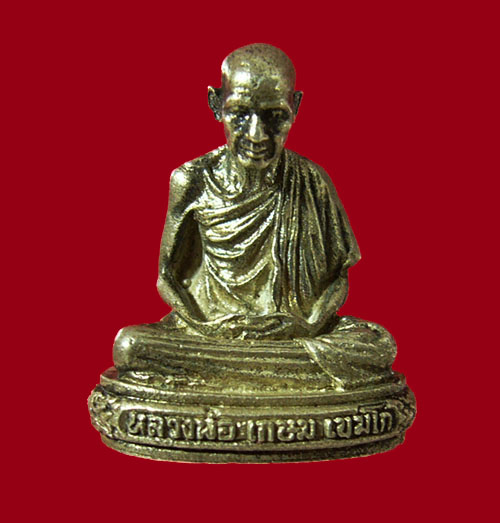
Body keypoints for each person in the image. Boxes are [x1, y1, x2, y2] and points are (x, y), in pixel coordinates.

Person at [114, 44, 396, 390]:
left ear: (295, 107)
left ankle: (239, 370)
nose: (256, 134)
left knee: (376, 346)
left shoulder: (312, 181)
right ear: (216, 105)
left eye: (274, 116)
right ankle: (267, 372)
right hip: (211, 334)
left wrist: (306, 325)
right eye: (239, 113)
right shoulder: (192, 180)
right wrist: (208, 328)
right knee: (131, 345)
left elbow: (338, 278)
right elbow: (166, 278)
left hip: (292, 334)